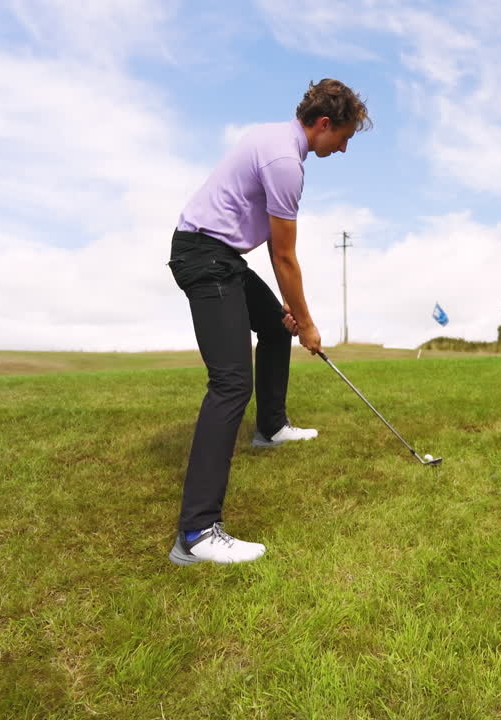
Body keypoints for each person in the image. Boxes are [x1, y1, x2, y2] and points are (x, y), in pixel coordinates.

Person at [165, 79, 371, 566]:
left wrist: (292, 315)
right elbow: (283, 256)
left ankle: (271, 427)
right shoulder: (285, 163)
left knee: (277, 325)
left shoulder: (274, 138)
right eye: (343, 137)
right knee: (231, 384)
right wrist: (309, 323)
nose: (343, 148)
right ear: (324, 124)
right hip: (205, 257)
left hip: (221, 256)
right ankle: (196, 532)